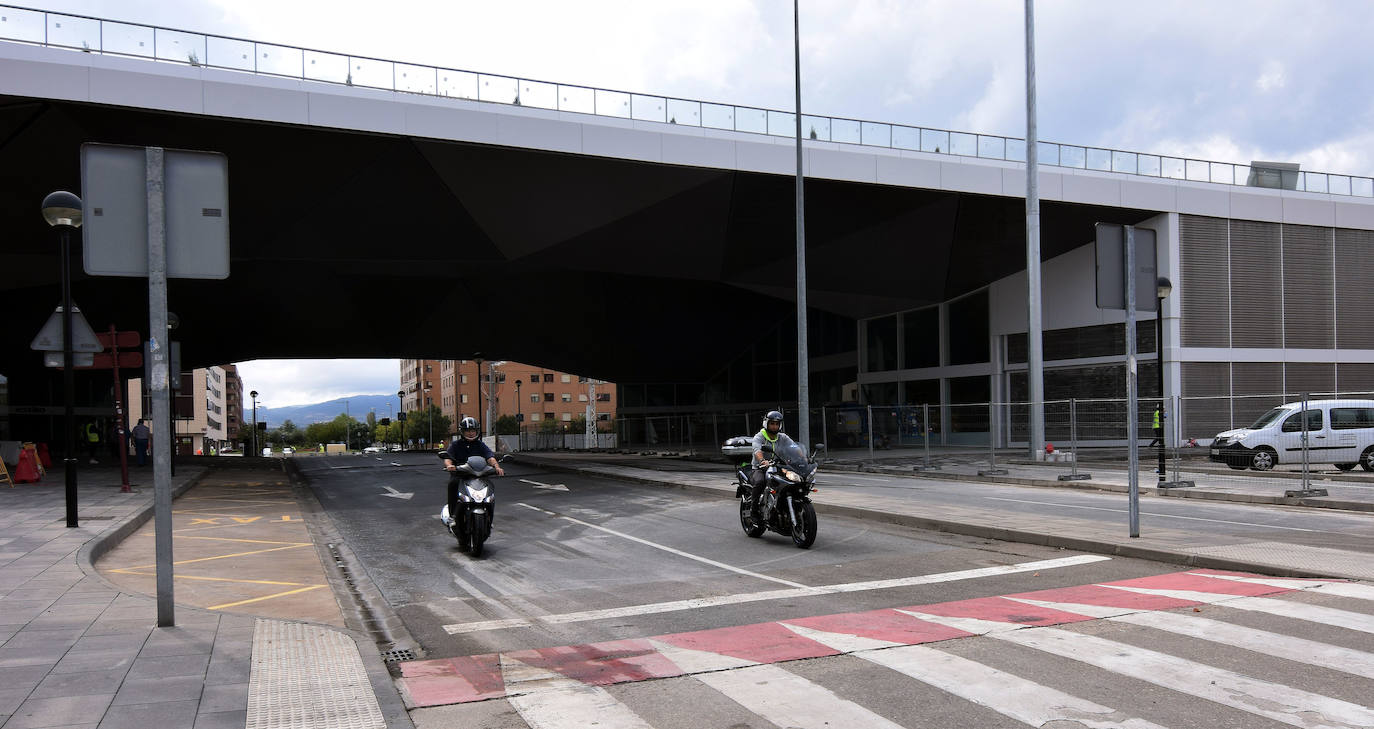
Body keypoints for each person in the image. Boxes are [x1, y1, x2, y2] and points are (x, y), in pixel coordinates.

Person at [440, 417, 505, 524]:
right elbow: (448, 458)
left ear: (477, 431)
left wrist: (497, 467)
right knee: (452, 484)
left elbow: (490, 457)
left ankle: (489, 516)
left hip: (478, 474)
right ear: (462, 431)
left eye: (473, 430)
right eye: (467, 431)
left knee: (490, 487)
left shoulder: (480, 445)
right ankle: (452, 514)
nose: (470, 433)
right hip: (460, 474)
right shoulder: (456, 445)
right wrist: (449, 466)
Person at [748, 410, 797, 520]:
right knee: (760, 482)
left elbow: (794, 447)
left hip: (778, 467)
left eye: (777, 424)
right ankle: (754, 510)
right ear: (766, 423)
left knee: (791, 483)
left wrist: (803, 457)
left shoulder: (783, 437)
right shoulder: (759, 436)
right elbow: (757, 450)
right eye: (772, 423)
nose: (775, 426)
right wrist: (762, 461)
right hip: (760, 468)